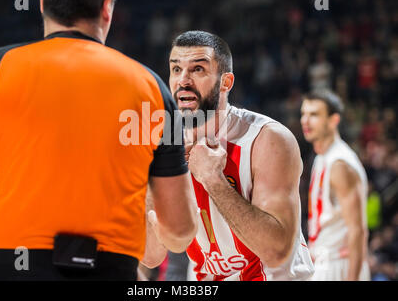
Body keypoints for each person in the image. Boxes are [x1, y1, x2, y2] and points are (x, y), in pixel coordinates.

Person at [0, 0, 197, 281]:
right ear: (107, 9)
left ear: (41, 4)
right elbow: (180, 229)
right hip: (108, 270)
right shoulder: (154, 90)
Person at [142, 30, 314, 281]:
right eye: (176, 69)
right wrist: (153, 179)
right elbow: (150, 255)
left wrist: (213, 180)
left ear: (226, 82)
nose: (183, 81)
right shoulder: (165, 146)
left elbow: (277, 252)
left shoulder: (268, 139)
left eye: (198, 69)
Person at [300, 89, 370, 281]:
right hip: (324, 261)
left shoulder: (340, 164)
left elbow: (358, 229)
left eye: (314, 115)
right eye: (304, 114)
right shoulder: (322, 156)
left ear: (333, 120)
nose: (305, 120)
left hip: (340, 265)